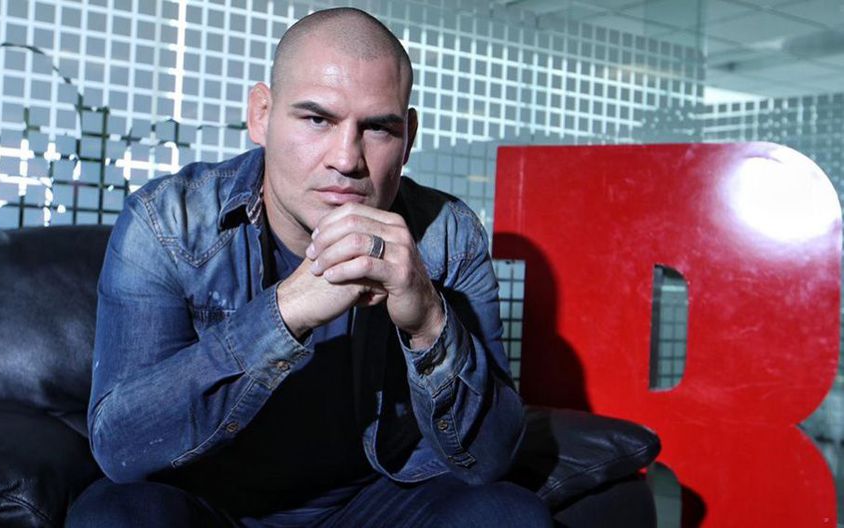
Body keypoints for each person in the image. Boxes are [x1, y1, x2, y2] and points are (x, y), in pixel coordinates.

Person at [66, 7, 553, 527]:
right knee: (114, 516)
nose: (346, 159)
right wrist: (285, 312)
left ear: (408, 137)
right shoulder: (169, 221)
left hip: (370, 504)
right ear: (261, 115)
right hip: (207, 505)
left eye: (378, 128)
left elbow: (491, 459)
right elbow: (121, 450)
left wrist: (429, 322)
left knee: (510, 516)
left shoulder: (448, 235)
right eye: (317, 119)